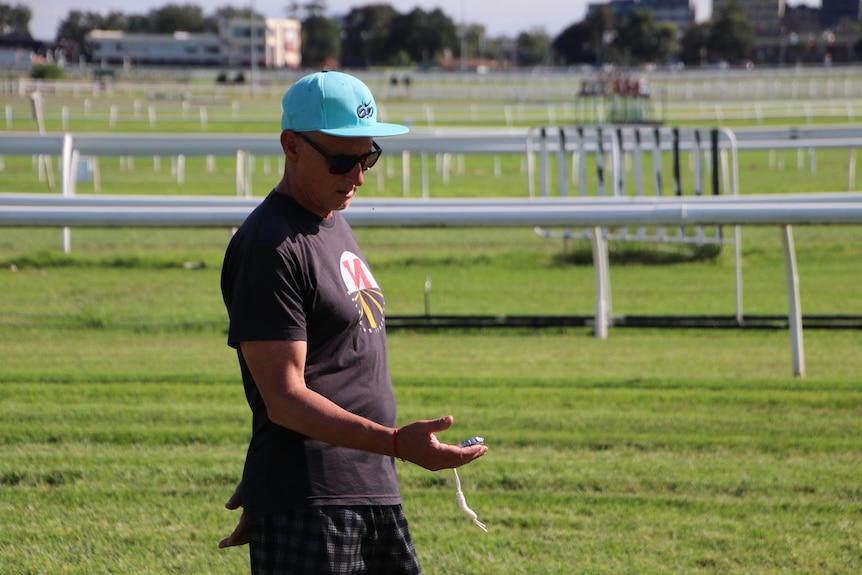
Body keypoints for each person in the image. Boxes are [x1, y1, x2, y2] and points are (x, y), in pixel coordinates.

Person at [218, 70, 488, 575]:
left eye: (368, 157)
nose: (359, 176)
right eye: (342, 159)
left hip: (368, 490)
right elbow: (284, 397)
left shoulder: (331, 220)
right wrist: (392, 443)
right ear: (291, 146)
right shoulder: (269, 247)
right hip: (315, 501)